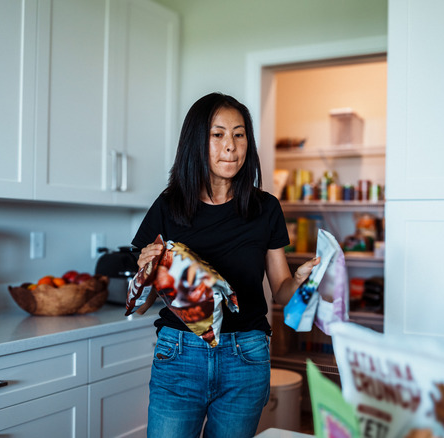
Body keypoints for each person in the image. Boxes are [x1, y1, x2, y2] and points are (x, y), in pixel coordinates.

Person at [132, 92, 319, 438]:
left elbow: (281, 291)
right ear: (196, 142)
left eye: (239, 134)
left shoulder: (265, 208)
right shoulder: (169, 206)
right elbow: (143, 300)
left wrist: (301, 281)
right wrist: (145, 272)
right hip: (180, 353)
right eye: (217, 135)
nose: (230, 146)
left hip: (245, 357)